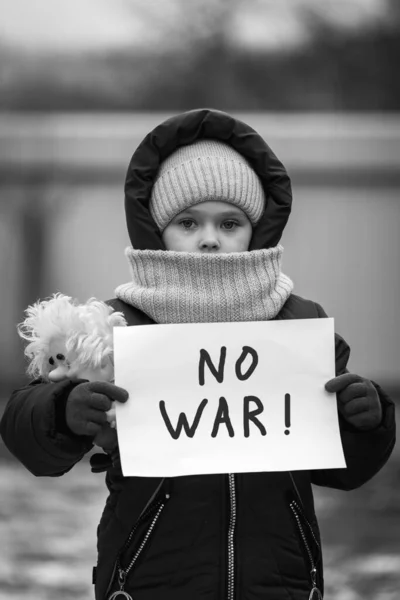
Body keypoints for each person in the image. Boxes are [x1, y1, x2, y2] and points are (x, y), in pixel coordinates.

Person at [0, 109, 395, 600]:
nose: (209, 238)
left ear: (258, 229)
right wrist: (62, 411)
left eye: (230, 222)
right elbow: (26, 436)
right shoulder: (116, 325)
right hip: (150, 584)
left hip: (281, 585)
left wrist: (367, 420)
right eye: (188, 222)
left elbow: (346, 470)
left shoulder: (301, 325)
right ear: (155, 229)